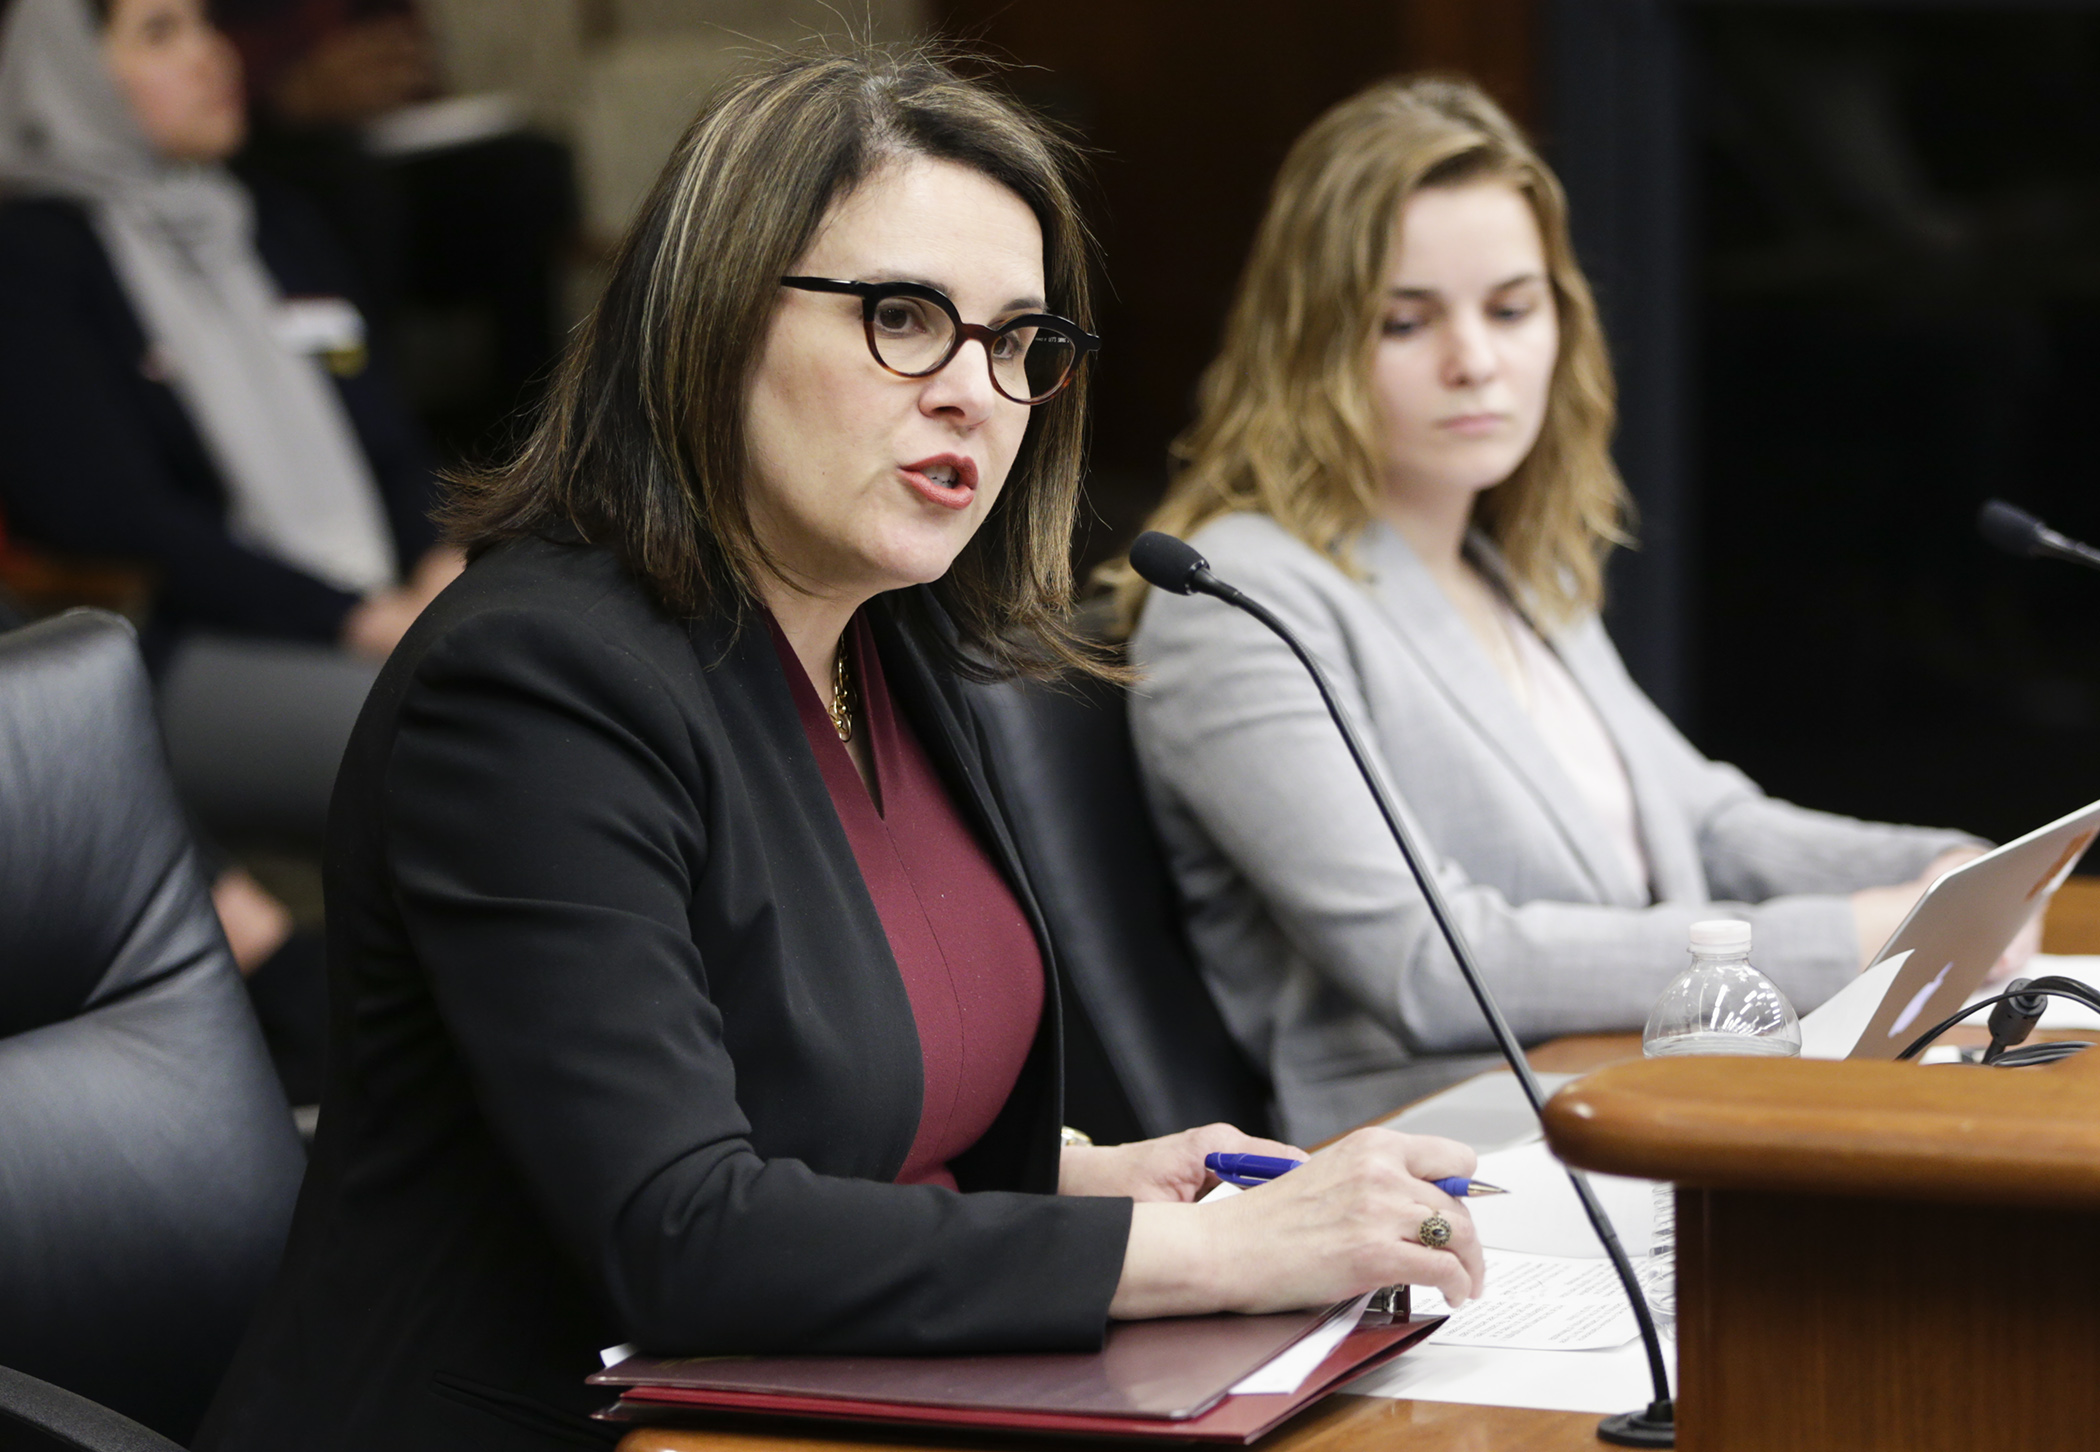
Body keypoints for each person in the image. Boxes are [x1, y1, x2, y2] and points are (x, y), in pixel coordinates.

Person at [194, 45, 1488, 1452]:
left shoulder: (886, 639)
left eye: (1016, 343)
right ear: (716, 316)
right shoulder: (534, 688)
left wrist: (1087, 1183)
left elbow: (818, 1110)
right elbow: (684, 1230)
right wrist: (1225, 1260)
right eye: (903, 318)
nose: (975, 394)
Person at [1120, 77, 2030, 1146]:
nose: (1477, 361)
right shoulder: (1241, 599)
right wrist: (1848, 937)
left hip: (1640, 1096)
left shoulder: (1510, 569)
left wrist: (1946, 874)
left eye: (1511, 308)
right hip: (1456, 1154)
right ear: (1311, 341)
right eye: (1407, 321)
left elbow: (1706, 823)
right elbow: (1428, 963)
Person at [0, 0, 460, 849]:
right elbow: (112, 515)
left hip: (377, 606)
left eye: (206, 24)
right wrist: (354, 619)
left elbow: (387, 436)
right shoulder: (34, 258)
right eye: (161, 33)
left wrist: (440, 566)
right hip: (183, 647)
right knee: (468, 753)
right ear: (69, 77)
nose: (213, 56)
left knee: (585, 699)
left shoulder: (267, 220)